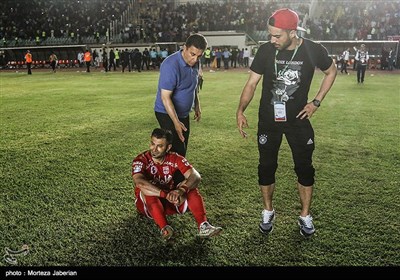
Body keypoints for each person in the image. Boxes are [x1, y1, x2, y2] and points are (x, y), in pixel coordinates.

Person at [236, 8, 337, 238]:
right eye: (270, 35)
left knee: (304, 168)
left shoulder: (312, 50)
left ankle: (304, 215)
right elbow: (252, 83)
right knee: (266, 167)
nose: (272, 40)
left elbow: (331, 72)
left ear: (292, 32)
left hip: (298, 120)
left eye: (277, 35)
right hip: (268, 120)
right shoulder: (265, 50)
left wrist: (316, 102)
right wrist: (241, 110)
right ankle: (268, 211)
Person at [132, 128, 222, 240]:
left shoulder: (174, 158)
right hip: (147, 206)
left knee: (191, 188)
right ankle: (165, 228)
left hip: (171, 201)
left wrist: (181, 190)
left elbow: (196, 176)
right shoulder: (141, 160)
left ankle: (203, 226)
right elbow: (140, 183)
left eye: (159, 146)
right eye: (152, 144)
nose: (154, 149)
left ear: (168, 147)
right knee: (148, 191)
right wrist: (167, 195)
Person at [154, 33, 207, 184]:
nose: (195, 59)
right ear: (184, 48)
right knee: (178, 148)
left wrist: (197, 105)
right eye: (192, 54)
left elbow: (194, 85)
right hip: (165, 112)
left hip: (183, 113)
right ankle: (174, 184)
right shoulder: (170, 65)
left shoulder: (196, 62)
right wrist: (176, 123)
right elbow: (165, 98)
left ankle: (173, 178)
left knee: (183, 146)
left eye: (199, 56)